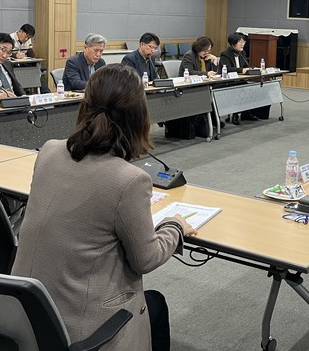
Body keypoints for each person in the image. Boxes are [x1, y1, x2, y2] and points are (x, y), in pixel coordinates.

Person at [12, 64, 196, 351]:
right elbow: (146, 259)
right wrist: (175, 225)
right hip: (76, 329)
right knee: (156, 305)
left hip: (24, 311)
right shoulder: (129, 180)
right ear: (139, 116)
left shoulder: (48, 150)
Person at [219, 32, 259, 124]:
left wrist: (253, 68)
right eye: (240, 42)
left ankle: (246, 113)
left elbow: (245, 65)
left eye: (243, 42)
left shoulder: (242, 52)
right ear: (233, 43)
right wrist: (242, 70)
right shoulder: (225, 54)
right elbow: (227, 69)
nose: (242, 44)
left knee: (251, 88)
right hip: (227, 82)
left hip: (239, 81)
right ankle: (235, 114)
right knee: (240, 89)